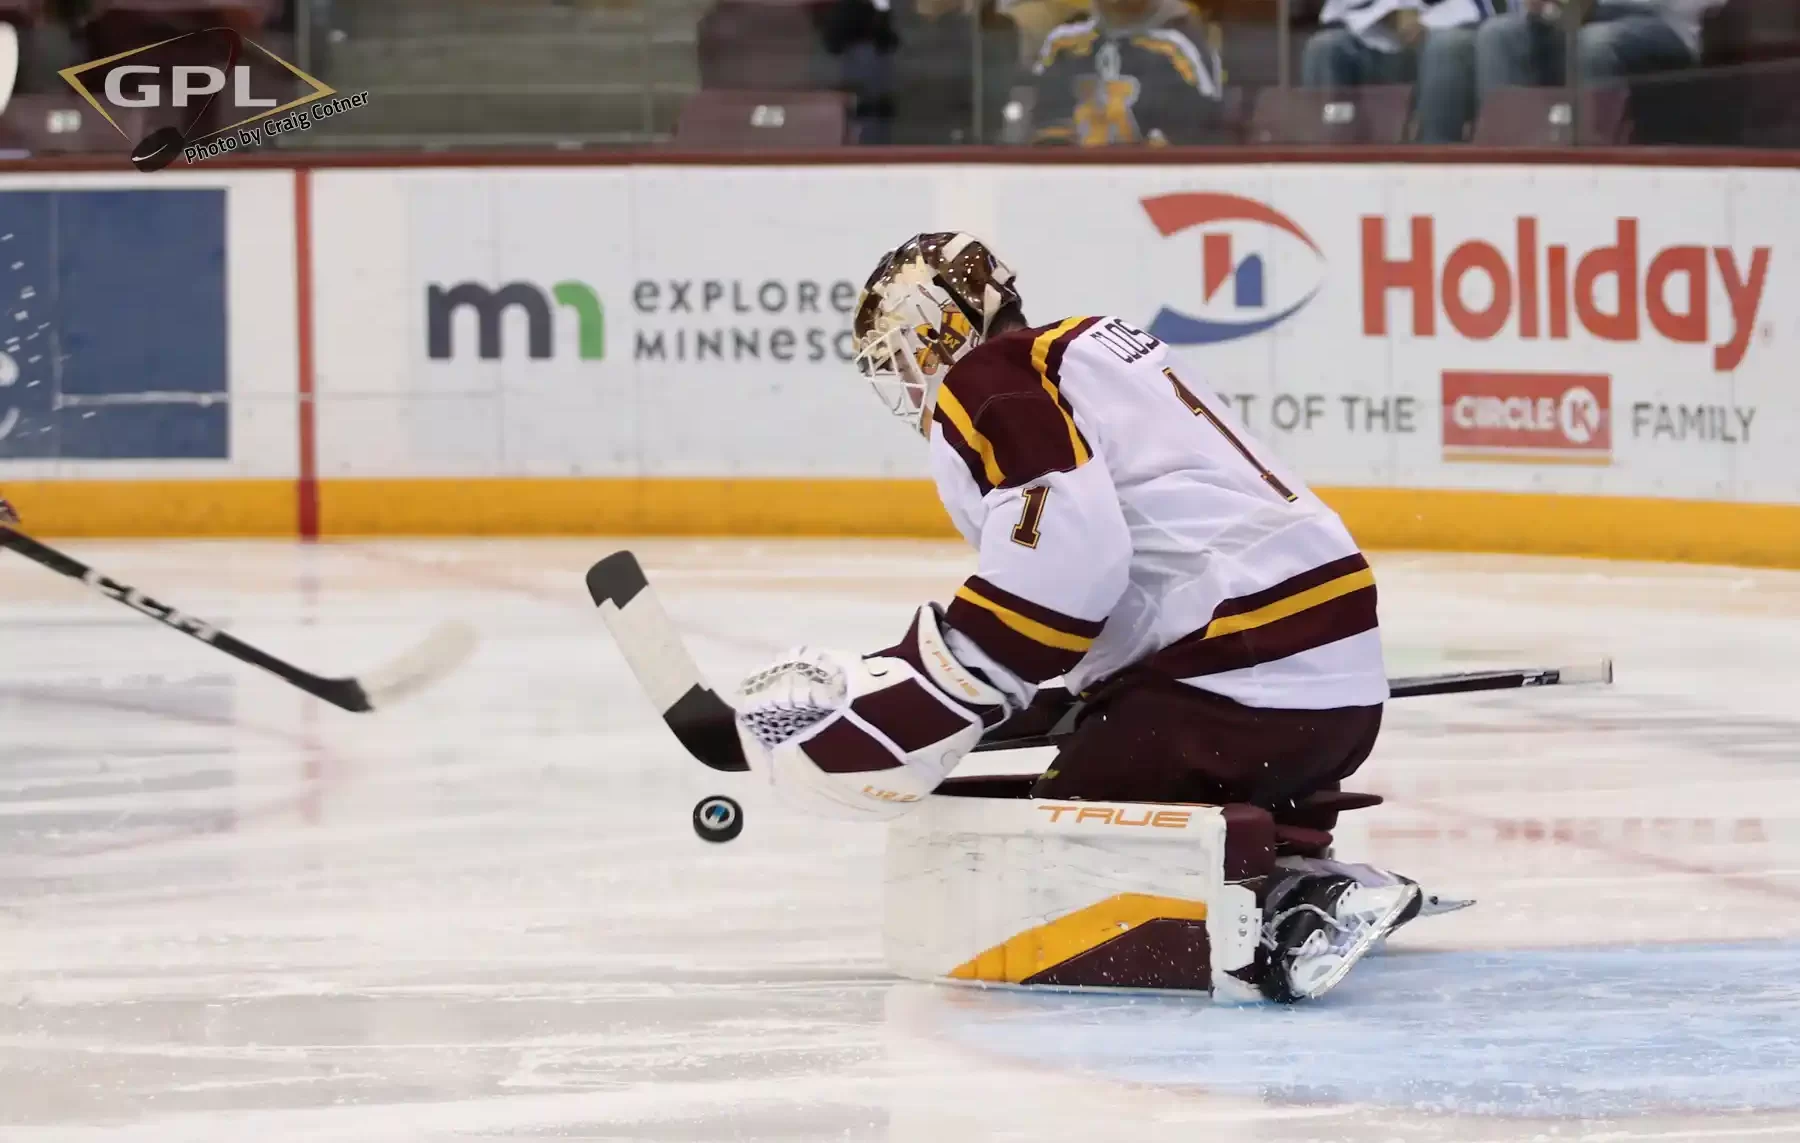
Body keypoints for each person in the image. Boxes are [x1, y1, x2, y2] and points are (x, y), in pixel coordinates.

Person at [732, 233, 1445, 1003]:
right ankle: (1301, 855)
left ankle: (1284, 902)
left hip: (1238, 682)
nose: (907, 383)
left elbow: (1073, 558)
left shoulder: (987, 378)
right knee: (1119, 743)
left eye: (901, 357)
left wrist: (953, 676)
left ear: (937, 328)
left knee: (1060, 851)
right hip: (1329, 680)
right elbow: (1151, 545)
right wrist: (1069, 690)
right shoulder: (1093, 345)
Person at [1027, 0, 1228, 145]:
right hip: (1069, 185)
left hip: (1147, 185)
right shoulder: (1061, 44)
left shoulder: (1182, 48)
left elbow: (1197, 136)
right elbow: (1045, 128)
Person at [1303, 0, 1498, 143]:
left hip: (1444, 31)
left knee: (1448, 46)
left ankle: (1433, 160)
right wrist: (1390, 11)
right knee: (1324, 48)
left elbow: (1477, 8)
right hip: (1370, 32)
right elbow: (1337, 10)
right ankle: (1331, 162)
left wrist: (1426, 21)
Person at [1474, 0, 1727, 99]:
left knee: (1594, 43)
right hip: (1570, 17)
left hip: (1663, 22)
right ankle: (1508, 163)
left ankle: (1590, 167)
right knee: (1498, 34)